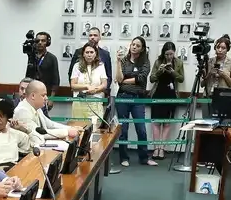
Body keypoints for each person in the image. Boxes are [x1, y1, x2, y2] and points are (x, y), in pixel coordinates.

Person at [115, 37, 152, 167]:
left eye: (137, 45)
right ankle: (123, 157)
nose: (134, 47)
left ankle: (144, 158)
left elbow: (141, 78)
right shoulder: (124, 60)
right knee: (123, 130)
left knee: (141, 129)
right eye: (133, 44)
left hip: (138, 98)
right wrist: (118, 62)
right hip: (123, 97)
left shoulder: (145, 61)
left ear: (142, 49)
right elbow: (118, 78)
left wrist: (125, 80)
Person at [13, 81, 82, 148]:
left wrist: (70, 128)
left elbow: (51, 124)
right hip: (27, 154)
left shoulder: (36, 107)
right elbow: (38, 134)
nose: (46, 98)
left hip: (39, 147)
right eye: (43, 95)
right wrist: (67, 132)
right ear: (33, 96)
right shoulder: (22, 111)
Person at [149, 41, 184, 161]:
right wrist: (160, 70)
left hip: (171, 94)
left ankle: (162, 148)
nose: (169, 56)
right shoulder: (158, 61)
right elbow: (152, 78)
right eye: (167, 54)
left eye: (171, 54)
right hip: (158, 93)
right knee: (156, 122)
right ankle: (156, 148)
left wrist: (172, 71)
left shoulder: (178, 62)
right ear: (163, 53)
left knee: (167, 122)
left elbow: (181, 79)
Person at [70, 42, 109, 126]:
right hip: (79, 102)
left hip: (95, 101)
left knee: (95, 128)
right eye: (87, 52)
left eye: (91, 52)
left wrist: (94, 90)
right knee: (78, 128)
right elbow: (73, 85)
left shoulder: (101, 66)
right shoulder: (77, 66)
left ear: (96, 54)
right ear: (83, 54)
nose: (89, 55)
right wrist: (86, 86)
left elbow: (104, 84)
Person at [25, 31, 61, 96]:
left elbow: (56, 80)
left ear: (47, 42)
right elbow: (28, 75)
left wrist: (52, 98)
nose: (40, 43)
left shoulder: (52, 58)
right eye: (37, 41)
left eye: (43, 41)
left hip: (46, 93)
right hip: (32, 93)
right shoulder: (32, 57)